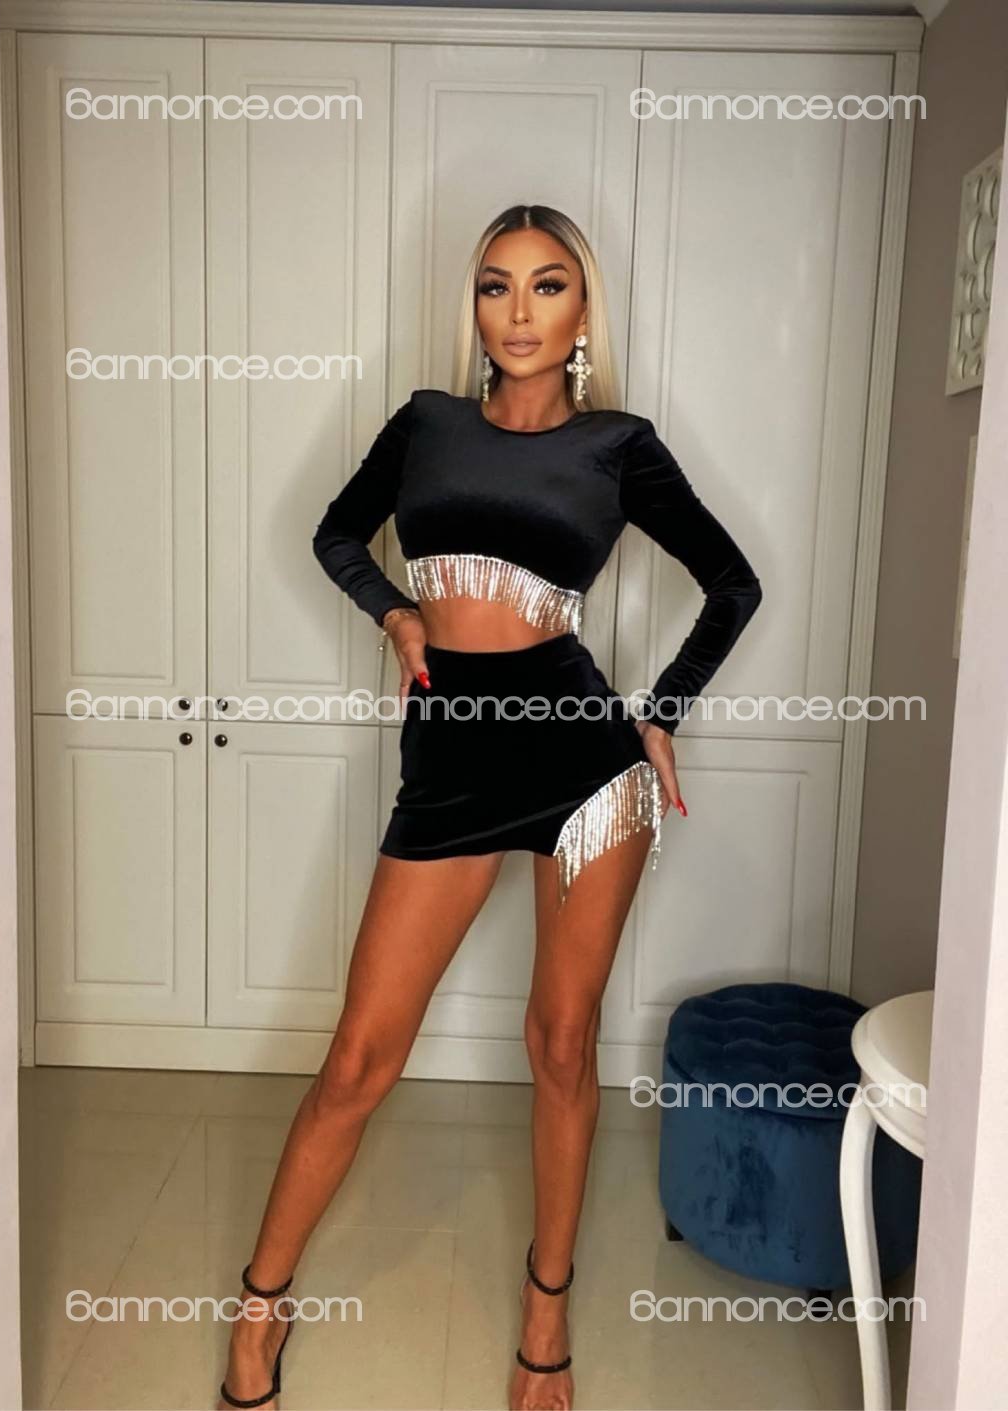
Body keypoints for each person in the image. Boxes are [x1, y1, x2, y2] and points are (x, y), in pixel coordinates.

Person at [217, 204, 762, 1411]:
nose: (517, 311)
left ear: (582, 311)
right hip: (452, 760)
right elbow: (334, 532)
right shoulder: (426, 423)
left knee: (560, 1045)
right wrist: (395, 614)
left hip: (584, 765)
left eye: (547, 285)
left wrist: (660, 710)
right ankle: (261, 1302)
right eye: (494, 285)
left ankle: (544, 1318)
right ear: (472, 306)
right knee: (359, 1057)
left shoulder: (619, 445)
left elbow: (732, 582)